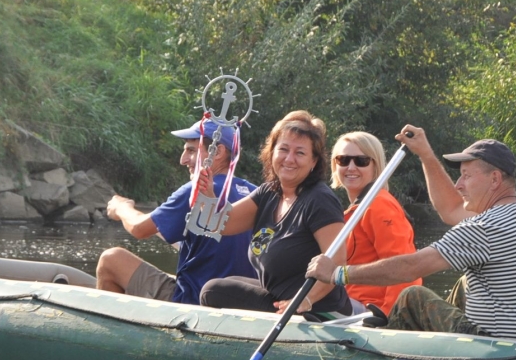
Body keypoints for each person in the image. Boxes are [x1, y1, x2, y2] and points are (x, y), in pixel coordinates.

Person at [307, 128, 516, 339]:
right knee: (464, 283)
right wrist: (425, 155)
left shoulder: (482, 228)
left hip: (501, 343)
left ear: (495, 180)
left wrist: (337, 273)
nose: (458, 184)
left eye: (465, 176)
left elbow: (412, 267)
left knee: (413, 296)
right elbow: (451, 209)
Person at [198, 110, 351, 318]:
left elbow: (337, 264)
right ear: (272, 153)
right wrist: (207, 194)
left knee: (212, 291)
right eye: (284, 149)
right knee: (228, 282)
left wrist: (305, 300)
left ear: (314, 162)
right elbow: (220, 224)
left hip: (317, 311)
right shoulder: (269, 192)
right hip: (280, 299)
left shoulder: (320, 200)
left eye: (300, 153)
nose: (289, 159)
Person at [96, 120, 256, 304]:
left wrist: (121, 207)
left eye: (191, 150)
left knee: (111, 260)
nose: (182, 160)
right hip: (238, 304)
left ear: (218, 152)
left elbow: (139, 229)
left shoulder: (197, 190)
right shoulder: (255, 193)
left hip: (193, 303)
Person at [330, 131, 421, 316]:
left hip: (370, 310)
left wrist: (389, 317)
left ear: (375, 166)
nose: (351, 167)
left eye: (361, 161)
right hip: (348, 300)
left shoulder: (379, 205)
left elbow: (404, 268)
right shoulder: (354, 209)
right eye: (343, 160)